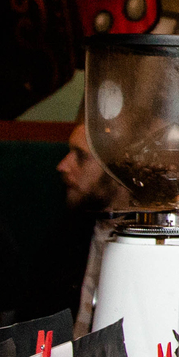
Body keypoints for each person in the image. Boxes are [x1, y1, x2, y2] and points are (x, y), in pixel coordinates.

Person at [57, 119, 129, 336]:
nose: (63, 166)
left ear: (119, 168)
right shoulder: (65, 234)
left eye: (81, 156)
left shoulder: (149, 246)